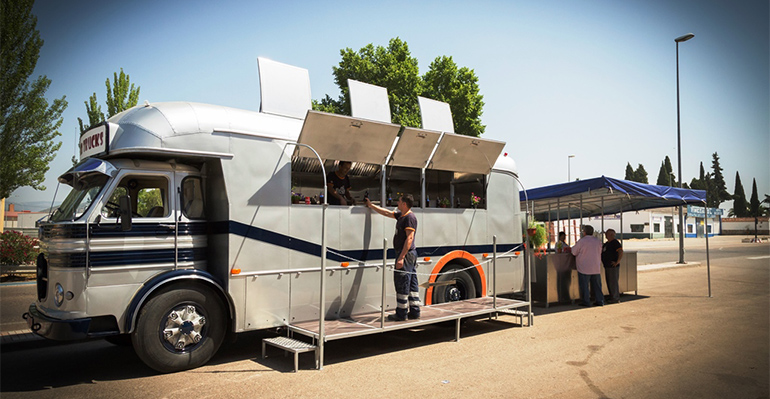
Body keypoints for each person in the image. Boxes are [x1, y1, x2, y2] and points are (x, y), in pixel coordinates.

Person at [365, 194, 420, 321]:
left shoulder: (409, 218)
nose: (397, 203)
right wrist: (371, 206)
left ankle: (401, 313)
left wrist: (401, 257)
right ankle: (415, 311)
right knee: (411, 282)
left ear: (404, 204)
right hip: (407, 254)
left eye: (399, 202)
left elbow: (409, 238)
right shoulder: (402, 215)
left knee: (402, 282)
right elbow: (387, 213)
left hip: (406, 254)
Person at [570, 225, 604, 307]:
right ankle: (600, 301)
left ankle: (586, 301)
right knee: (597, 286)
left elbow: (574, 252)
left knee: (585, 286)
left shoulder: (582, 241)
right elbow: (600, 251)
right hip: (596, 267)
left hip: (584, 267)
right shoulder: (597, 241)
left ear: (584, 232)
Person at [602, 229, 624, 304]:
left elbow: (620, 252)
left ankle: (615, 298)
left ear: (611, 235)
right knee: (609, 282)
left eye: (607, 234)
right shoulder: (607, 244)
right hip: (607, 266)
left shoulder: (615, 243)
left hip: (612, 266)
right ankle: (612, 296)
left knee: (613, 282)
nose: (605, 235)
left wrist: (617, 262)